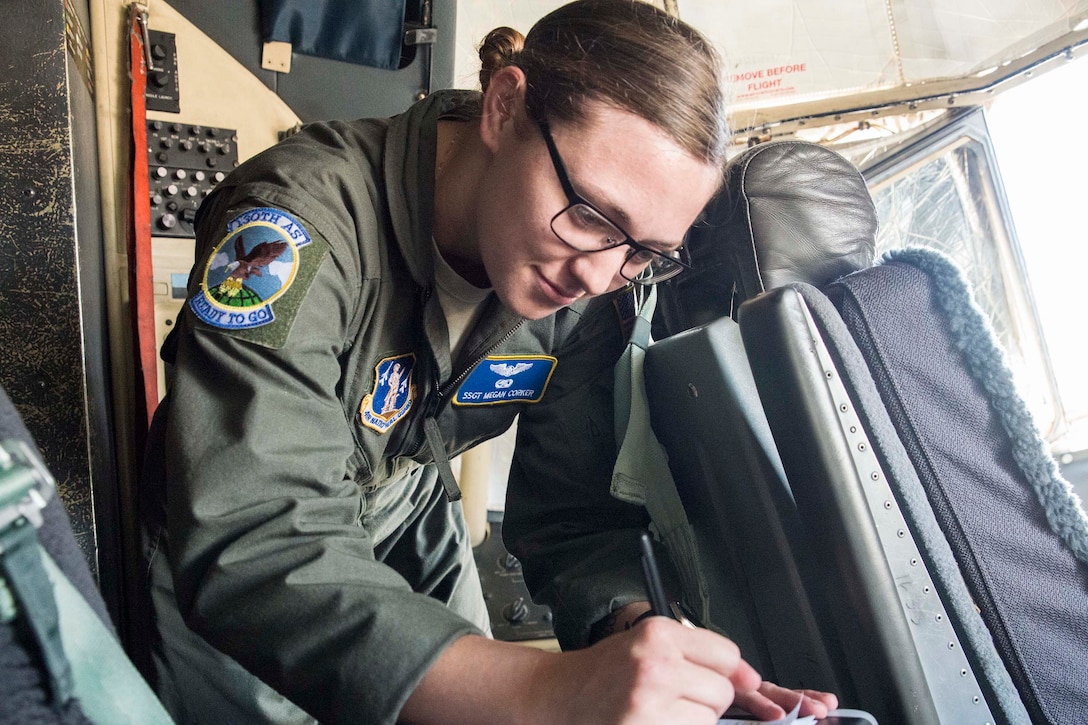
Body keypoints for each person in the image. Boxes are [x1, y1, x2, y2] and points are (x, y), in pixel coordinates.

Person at [140, 1, 839, 723]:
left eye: (644, 254)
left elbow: (571, 513)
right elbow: (254, 532)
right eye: (595, 215)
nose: (599, 277)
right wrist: (548, 689)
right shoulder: (297, 226)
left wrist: (640, 634)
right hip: (233, 550)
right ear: (504, 110)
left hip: (406, 508)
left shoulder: (591, 290)